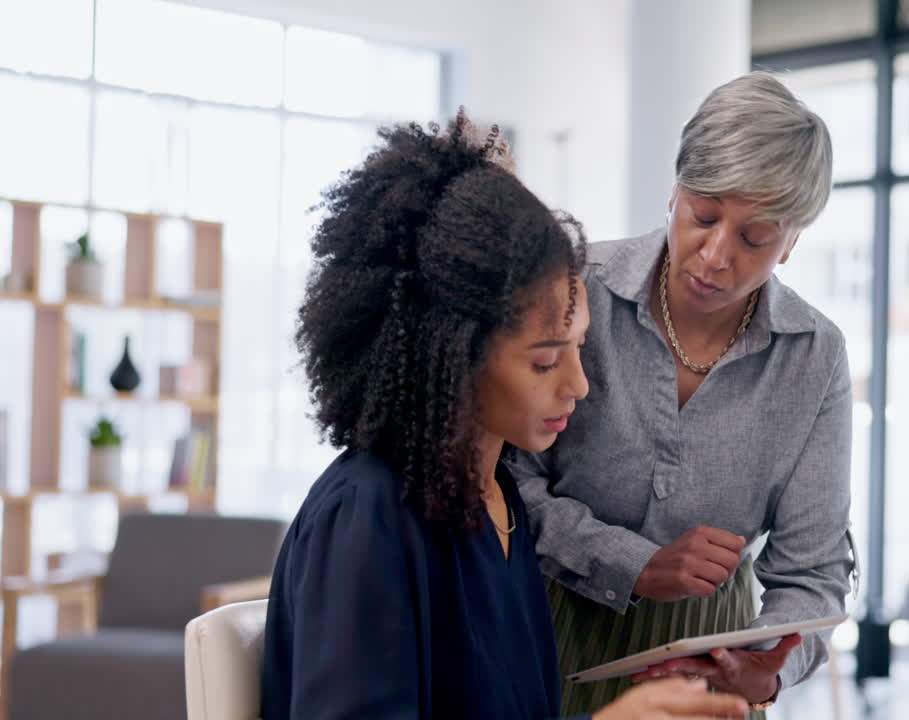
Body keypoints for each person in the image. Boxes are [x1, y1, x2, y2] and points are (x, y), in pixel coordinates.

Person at [260, 110, 748, 720]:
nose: (578, 385)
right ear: (451, 356)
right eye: (545, 361)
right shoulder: (366, 515)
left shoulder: (500, 500)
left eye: (579, 348)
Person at [512, 72, 858, 717]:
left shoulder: (815, 354)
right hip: (543, 624)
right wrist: (633, 564)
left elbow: (813, 572)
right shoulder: (579, 289)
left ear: (791, 244)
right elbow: (506, 483)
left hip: (713, 664)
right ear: (673, 194)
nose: (716, 255)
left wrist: (767, 670)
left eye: (755, 237)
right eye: (703, 216)